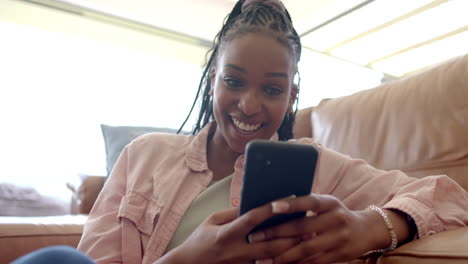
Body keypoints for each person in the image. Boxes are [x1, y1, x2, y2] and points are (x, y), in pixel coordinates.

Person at [41, 0, 466, 264]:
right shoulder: (143, 156)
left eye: (272, 89)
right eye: (234, 81)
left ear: (291, 95)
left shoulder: (318, 165)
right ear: (213, 80)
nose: (249, 105)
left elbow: (449, 196)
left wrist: (373, 227)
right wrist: (188, 260)